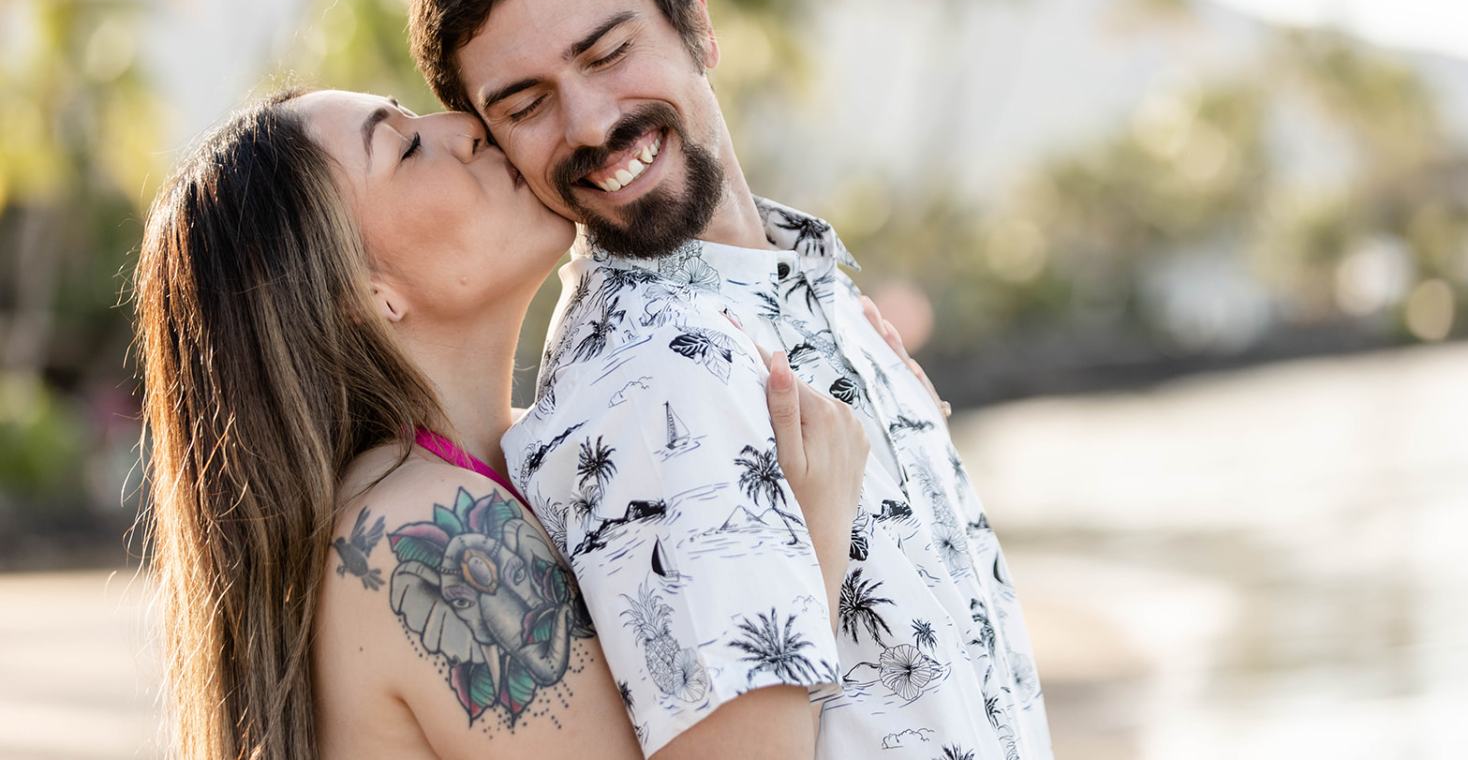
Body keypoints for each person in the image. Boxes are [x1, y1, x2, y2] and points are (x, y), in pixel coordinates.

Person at [408, 0, 1053, 759]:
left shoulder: (818, 297)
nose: (591, 121)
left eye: (606, 53)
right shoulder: (658, 375)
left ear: (695, 23)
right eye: (526, 104)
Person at [135, 88, 921, 759]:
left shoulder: (530, 455)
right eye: (405, 148)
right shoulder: (431, 532)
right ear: (363, 293)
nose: (463, 124)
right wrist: (810, 544)